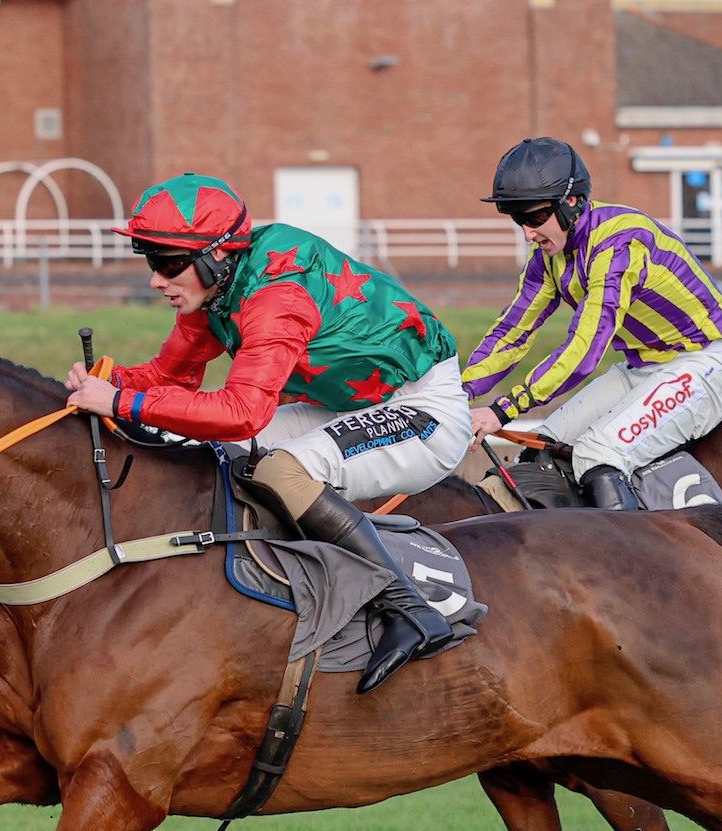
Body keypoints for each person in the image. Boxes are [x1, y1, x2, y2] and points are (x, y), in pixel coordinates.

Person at [67, 173, 469, 693]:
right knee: (202, 450)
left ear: (214, 256)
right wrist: (107, 383)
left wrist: (121, 401)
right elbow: (168, 379)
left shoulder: (276, 296)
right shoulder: (219, 288)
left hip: (423, 409)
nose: (155, 280)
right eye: (151, 261)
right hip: (342, 407)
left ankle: (412, 610)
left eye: (167, 264)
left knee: (281, 469)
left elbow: (242, 412)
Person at [463, 138, 722, 511]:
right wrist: (458, 395)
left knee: (596, 455)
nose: (527, 232)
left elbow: (585, 349)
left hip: (700, 367)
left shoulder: (619, 245)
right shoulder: (550, 256)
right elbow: (512, 330)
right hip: (640, 368)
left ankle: (627, 565)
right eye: (518, 220)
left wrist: (502, 410)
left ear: (571, 202)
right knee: (541, 451)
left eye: (535, 218)